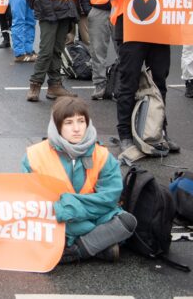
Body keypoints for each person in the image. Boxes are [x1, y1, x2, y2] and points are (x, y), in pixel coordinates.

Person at [95, 0, 178, 153]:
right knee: (128, 81)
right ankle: (125, 134)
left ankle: (158, 132)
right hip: (130, 29)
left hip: (159, 28)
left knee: (160, 81)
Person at [22, 97, 137, 263]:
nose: (76, 129)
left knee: (127, 222)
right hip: (57, 219)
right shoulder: (34, 156)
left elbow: (109, 198)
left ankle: (72, 250)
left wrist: (69, 208)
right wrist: (64, 213)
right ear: (57, 126)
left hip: (89, 215)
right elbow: (32, 200)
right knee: (31, 226)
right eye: (68, 122)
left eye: (81, 121)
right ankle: (95, 246)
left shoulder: (102, 155)